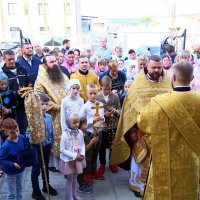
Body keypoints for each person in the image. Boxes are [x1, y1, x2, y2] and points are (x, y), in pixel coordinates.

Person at [110, 55, 172, 197]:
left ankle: (152, 184)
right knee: (140, 158)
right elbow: (129, 109)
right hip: (140, 130)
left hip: (161, 130)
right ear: (147, 67)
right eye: (153, 67)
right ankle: (137, 185)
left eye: (159, 67)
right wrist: (132, 129)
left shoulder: (167, 84)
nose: (156, 70)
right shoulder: (137, 85)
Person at [137, 61, 200, 200]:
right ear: (192, 78)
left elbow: (142, 123)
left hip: (165, 160)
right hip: (191, 161)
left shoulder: (159, 102)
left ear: (173, 78)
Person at [34, 54, 69, 170]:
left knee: (67, 137)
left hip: (67, 113)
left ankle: (67, 161)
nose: (55, 63)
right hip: (52, 115)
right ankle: (56, 165)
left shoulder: (62, 75)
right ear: (45, 65)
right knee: (55, 138)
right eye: (51, 62)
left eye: (55, 61)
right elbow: (39, 98)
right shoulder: (40, 80)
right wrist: (58, 107)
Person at [27, 93, 57, 200]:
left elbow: (52, 133)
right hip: (36, 147)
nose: (44, 107)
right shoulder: (32, 118)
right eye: (42, 104)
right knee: (36, 168)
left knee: (46, 167)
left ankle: (46, 185)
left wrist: (53, 146)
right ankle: (35, 191)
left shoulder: (48, 117)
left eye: (46, 104)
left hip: (47, 145)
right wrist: (33, 136)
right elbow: (27, 133)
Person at [2, 50, 31, 135]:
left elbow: (29, 82)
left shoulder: (22, 69)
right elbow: (3, 89)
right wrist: (15, 93)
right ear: (4, 59)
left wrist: (27, 89)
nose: (12, 61)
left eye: (13, 59)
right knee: (12, 129)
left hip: (24, 104)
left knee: (24, 127)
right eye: (9, 59)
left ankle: (23, 143)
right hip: (10, 107)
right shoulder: (2, 72)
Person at [79, 84, 105, 180]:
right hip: (89, 133)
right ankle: (87, 172)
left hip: (98, 132)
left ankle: (94, 170)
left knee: (96, 153)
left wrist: (101, 121)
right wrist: (92, 120)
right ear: (86, 94)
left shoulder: (100, 105)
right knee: (89, 153)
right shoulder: (85, 107)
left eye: (95, 93)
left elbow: (102, 118)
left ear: (97, 93)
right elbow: (81, 121)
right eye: (91, 93)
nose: (93, 95)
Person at [97, 76, 121, 174]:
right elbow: (94, 111)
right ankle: (102, 163)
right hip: (102, 125)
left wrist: (116, 111)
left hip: (113, 124)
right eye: (105, 89)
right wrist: (103, 114)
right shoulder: (98, 97)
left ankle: (112, 163)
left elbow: (120, 108)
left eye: (109, 89)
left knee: (113, 145)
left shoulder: (115, 96)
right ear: (100, 87)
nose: (107, 91)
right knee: (102, 145)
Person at [0, 118, 29, 200]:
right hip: (11, 172)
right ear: (6, 133)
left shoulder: (22, 137)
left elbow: (25, 148)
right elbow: (1, 159)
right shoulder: (6, 146)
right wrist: (12, 164)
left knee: (19, 190)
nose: (16, 134)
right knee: (12, 194)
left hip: (21, 170)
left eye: (17, 130)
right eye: (12, 132)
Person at [59, 113, 86, 200]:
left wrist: (82, 154)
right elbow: (62, 150)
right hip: (69, 160)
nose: (77, 124)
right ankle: (70, 197)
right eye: (74, 122)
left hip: (78, 158)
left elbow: (82, 144)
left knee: (75, 178)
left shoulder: (80, 132)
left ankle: (75, 195)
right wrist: (74, 155)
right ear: (68, 123)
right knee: (70, 179)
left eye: (78, 122)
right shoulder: (65, 135)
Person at [77, 118, 99, 193]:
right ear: (79, 126)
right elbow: (85, 148)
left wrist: (93, 137)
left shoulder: (85, 132)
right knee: (81, 172)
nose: (87, 126)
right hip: (83, 157)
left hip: (87, 157)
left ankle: (84, 182)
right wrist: (92, 141)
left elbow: (88, 141)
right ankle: (81, 186)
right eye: (85, 124)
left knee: (84, 171)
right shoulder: (81, 135)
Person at [0, 72, 18, 143]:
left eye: (5, 84)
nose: (4, 86)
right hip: (1, 124)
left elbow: (16, 106)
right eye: (1, 84)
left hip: (11, 121)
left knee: (11, 138)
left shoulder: (11, 94)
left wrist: (9, 110)